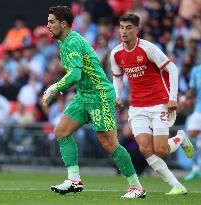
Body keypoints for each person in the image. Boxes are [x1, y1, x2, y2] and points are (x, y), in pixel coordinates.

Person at [43, 6, 145, 198]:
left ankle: (136, 187)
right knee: (62, 131)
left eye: (51, 22)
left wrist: (54, 87)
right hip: (84, 95)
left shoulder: (72, 41)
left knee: (109, 144)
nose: (47, 25)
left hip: (99, 95)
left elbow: (75, 74)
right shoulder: (64, 42)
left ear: (63, 24)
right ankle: (74, 179)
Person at [110, 13, 194, 195]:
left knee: (161, 149)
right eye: (122, 27)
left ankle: (180, 138)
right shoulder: (116, 53)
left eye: (128, 28)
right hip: (137, 107)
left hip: (159, 103)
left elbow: (172, 69)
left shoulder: (148, 48)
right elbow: (118, 78)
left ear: (136, 30)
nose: (124, 31)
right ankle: (177, 186)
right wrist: (117, 95)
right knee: (145, 148)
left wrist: (173, 97)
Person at [184, 64, 201, 181]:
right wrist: (184, 98)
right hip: (198, 109)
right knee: (191, 136)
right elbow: (192, 90)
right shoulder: (196, 70)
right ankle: (195, 169)